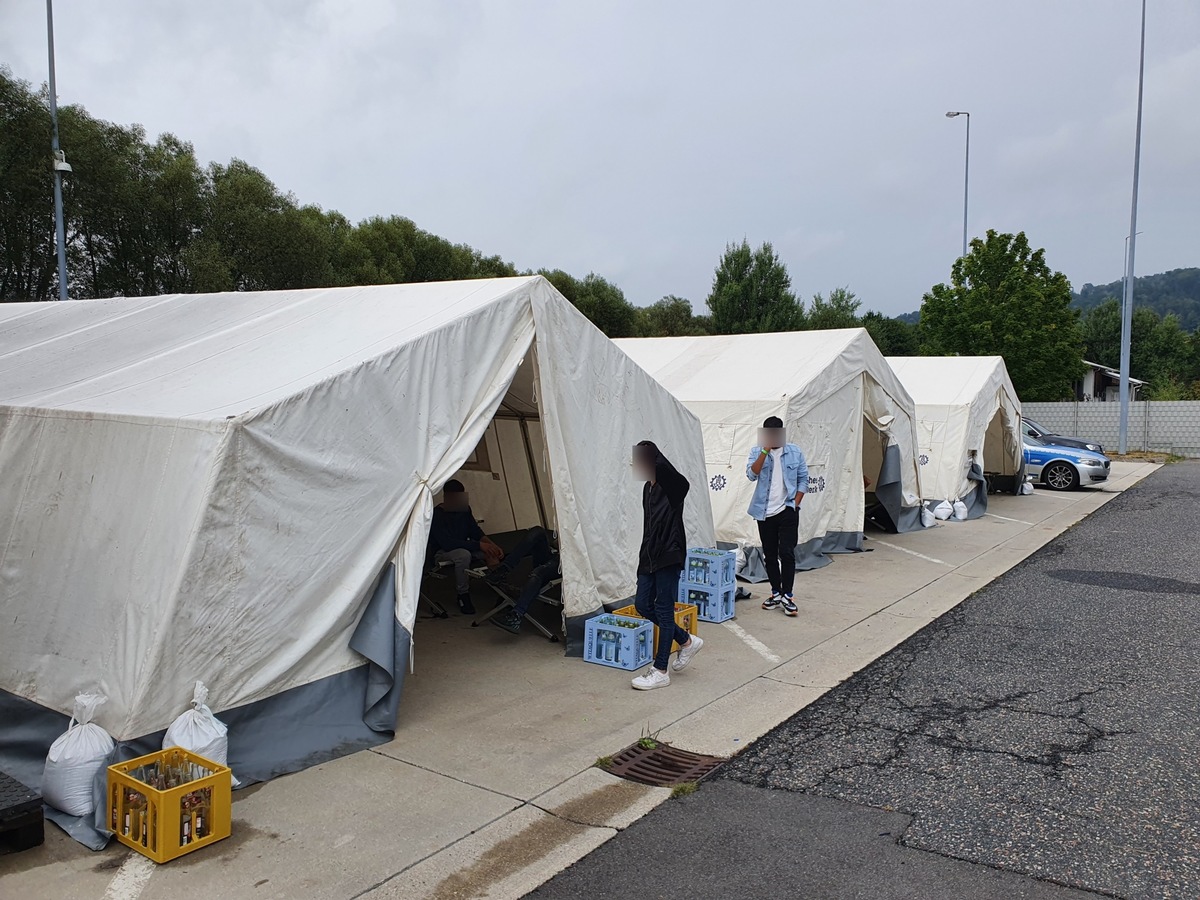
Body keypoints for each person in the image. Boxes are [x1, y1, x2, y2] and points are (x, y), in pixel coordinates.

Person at [630, 441, 703, 691]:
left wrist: (657, 461)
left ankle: (660, 669)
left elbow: (683, 483)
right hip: (649, 556)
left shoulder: (671, 487)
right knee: (641, 604)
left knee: (663, 610)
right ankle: (685, 641)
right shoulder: (646, 490)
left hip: (669, 554)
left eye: (640, 460)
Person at [746, 416, 808, 617]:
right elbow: (751, 474)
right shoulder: (757, 451)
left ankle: (788, 596)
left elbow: (803, 479)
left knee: (787, 553)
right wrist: (764, 450)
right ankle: (775, 592)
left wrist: (795, 503)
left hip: (788, 510)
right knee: (770, 555)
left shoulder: (794, 452)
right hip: (764, 512)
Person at [428, 479, 506, 615]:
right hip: (443, 552)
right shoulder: (437, 515)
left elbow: (475, 531)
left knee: (490, 552)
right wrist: (479, 545)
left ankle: (501, 591)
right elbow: (447, 543)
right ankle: (463, 595)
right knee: (463, 554)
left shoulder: (464, 509)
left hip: (465, 547)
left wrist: (491, 545)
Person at [487, 526, 561, 635]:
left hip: (568, 563)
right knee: (537, 531)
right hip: (557, 556)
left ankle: (516, 615)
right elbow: (556, 543)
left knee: (538, 572)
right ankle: (503, 569)